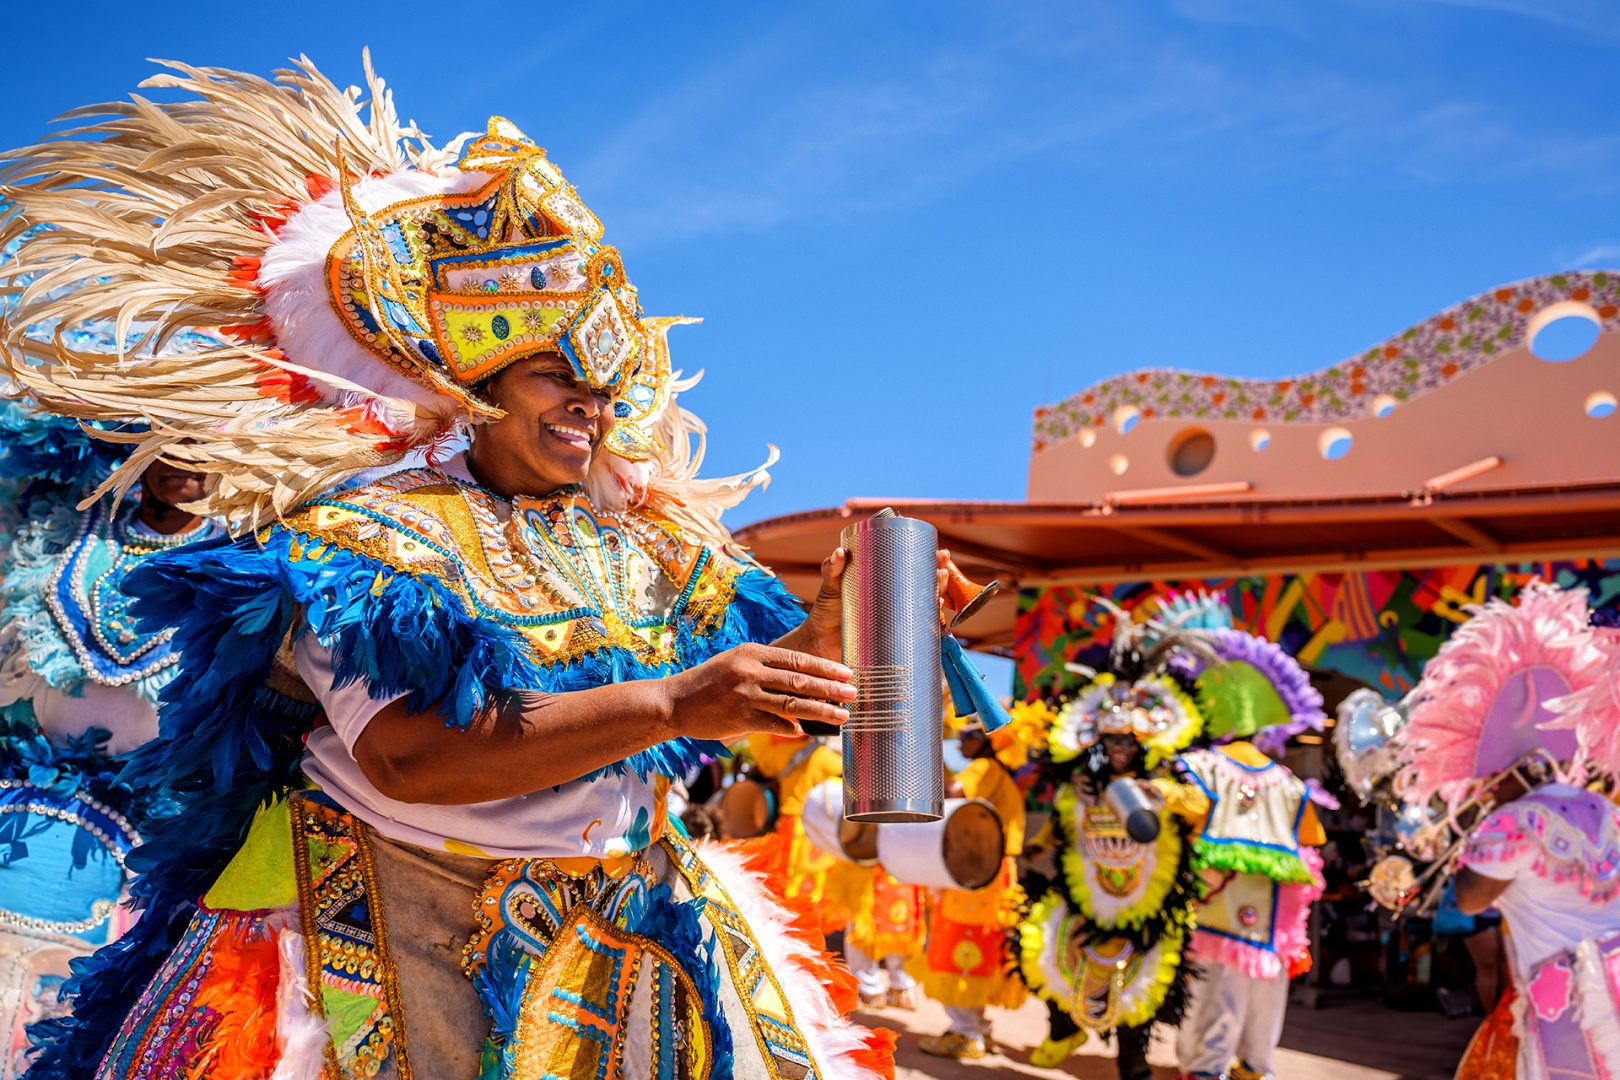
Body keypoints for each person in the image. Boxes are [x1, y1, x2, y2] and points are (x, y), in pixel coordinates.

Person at [2, 57, 907, 1079]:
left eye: (605, 386)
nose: (589, 404)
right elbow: (409, 759)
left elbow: (752, 695)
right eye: (555, 374)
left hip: (625, 928)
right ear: (477, 384)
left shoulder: (644, 540)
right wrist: (671, 705)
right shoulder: (364, 536)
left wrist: (842, 630)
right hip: (390, 919)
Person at [0, 400, 219, 1077]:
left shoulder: (247, 563)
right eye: (167, 440)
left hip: (150, 843)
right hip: (21, 809)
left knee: (73, 1034)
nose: (183, 461)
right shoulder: (66, 519)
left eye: (201, 443)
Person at [1396, 580, 1620, 1080]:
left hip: (1566, 998)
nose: (1484, 789)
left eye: (1488, 778)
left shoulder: (1510, 823)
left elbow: (1470, 898)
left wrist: (1472, 836)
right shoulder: (1604, 809)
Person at [1019, 607, 1207, 1078]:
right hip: (1087, 891)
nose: (1120, 749)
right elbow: (1061, 824)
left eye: (1128, 742)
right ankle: (1064, 1028)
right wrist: (1037, 845)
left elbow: (1200, 806)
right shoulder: (1082, 784)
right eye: (1113, 742)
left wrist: (1160, 793)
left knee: (1144, 975)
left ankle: (1133, 1060)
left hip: (1148, 896)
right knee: (1044, 948)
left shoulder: (1166, 781)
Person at [1167, 595, 1329, 1080]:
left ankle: (1205, 1069)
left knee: (1213, 991)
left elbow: (1178, 814)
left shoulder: (1200, 768)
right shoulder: (1290, 784)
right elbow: (1313, 839)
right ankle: (1255, 1067)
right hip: (1273, 918)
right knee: (1263, 995)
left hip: (1215, 908)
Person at [915, 712, 1035, 1061]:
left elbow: (952, 793)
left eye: (967, 736)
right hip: (994, 875)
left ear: (986, 741)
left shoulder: (985, 768)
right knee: (980, 947)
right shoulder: (1001, 774)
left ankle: (966, 1033)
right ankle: (977, 1028)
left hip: (977, 877)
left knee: (958, 943)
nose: (960, 744)